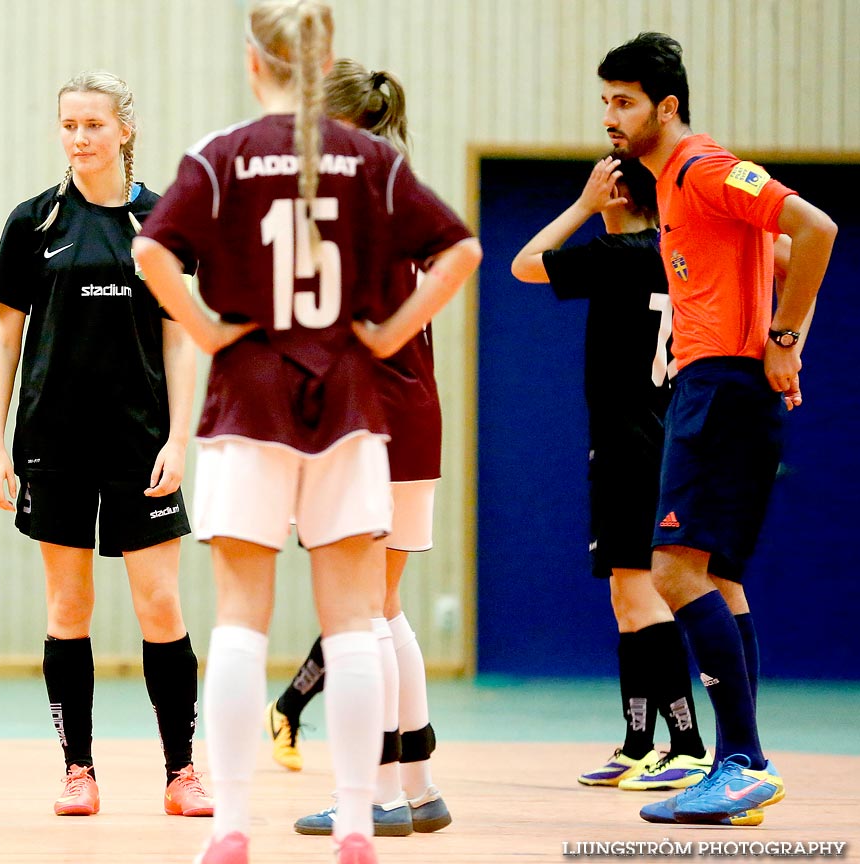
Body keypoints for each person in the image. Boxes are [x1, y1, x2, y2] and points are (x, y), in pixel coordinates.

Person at [134, 2, 482, 860]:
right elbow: (462, 252)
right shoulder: (371, 160)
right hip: (352, 406)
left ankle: (232, 824)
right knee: (357, 619)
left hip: (250, 403)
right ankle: (361, 820)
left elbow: (151, 254)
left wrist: (211, 328)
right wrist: (389, 336)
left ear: (255, 65)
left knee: (240, 622)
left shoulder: (218, 155)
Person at [596, 32, 836, 826]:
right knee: (718, 578)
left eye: (624, 102)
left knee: (670, 572)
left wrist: (783, 340)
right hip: (725, 385)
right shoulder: (672, 188)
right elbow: (768, 249)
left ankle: (741, 760)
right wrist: (770, 334)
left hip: (720, 388)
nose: (611, 117)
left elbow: (814, 228)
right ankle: (741, 764)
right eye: (605, 102)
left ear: (666, 106)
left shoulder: (702, 166)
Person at [0, 71, 211, 818]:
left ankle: (182, 772)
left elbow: (182, 339)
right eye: (68, 125)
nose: (79, 138)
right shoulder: (34, 223)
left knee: (160, 604)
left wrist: (181, 436)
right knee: (68, 604)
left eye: (93, 125)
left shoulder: (162, 222)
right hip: (53, 443)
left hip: (142, 444)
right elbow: (4, 340)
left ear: (124, 131)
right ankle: (77, 769)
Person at [266, 58, 453, 839]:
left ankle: (371, 798)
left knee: (358, 616)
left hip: (362, 422)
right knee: (386, 606)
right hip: (416, 417)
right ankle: (419, 786)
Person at [510, 154, 714, 792]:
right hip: (661, 439)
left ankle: (686, 744)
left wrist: (580, 205)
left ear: (618, 191)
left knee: (638, 594)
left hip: (630, 446)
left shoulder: (619, 250)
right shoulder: (675, 255)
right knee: (626, 598)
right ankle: (637, 742)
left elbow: (524, 264)